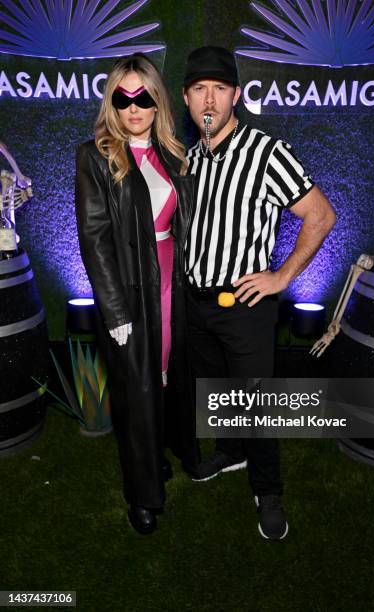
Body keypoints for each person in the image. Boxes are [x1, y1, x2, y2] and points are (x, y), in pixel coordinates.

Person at [182, 46, 336, 540]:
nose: (210, 100)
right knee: (216, 389)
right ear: (186, 98)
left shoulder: (266, 151)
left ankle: (267, 489)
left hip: (246, 303)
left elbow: (321, 215)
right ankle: (232, 449)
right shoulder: (187, 156)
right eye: (200, 89)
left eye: (219, 89)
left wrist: (282, 277)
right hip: (195, 303)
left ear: (236, 96)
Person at [75, 54, 198, 536]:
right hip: (128, 290)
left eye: (143, 97)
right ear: (112, 102)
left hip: (172, 285)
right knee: (136, 391)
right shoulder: (96, 155)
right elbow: (94, 236)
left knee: (165, 379)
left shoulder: (173, 153)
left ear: (157, 101)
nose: (133, 108)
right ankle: (142, 493)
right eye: (123, 98)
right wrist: (113, 307)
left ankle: (159, 456)